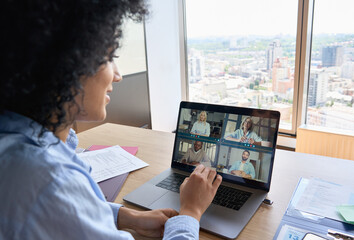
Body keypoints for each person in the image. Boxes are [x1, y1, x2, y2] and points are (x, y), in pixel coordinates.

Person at [0, 1, 222, 239]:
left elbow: (61, 213)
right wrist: (190, 211)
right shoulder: (51, 180)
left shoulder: (13, 145)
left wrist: (126, 217)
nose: (118, 75)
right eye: (109, 57)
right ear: (66, 64)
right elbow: (56, 199)